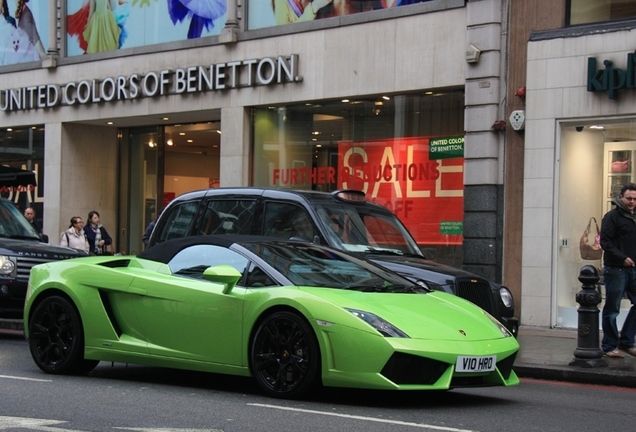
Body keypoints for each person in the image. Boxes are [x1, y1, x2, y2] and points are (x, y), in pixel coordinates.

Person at [599, 183, 636, 358]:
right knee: (612, 309)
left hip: (633, 269)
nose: (632, 202)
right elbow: (605, 242)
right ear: (621, 197)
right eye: (629, 198)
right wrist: (622, 257)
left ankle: (626, 342)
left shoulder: (633, 217)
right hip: (616, 269)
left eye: (635, 199)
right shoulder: (612, 217)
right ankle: (609, 345)